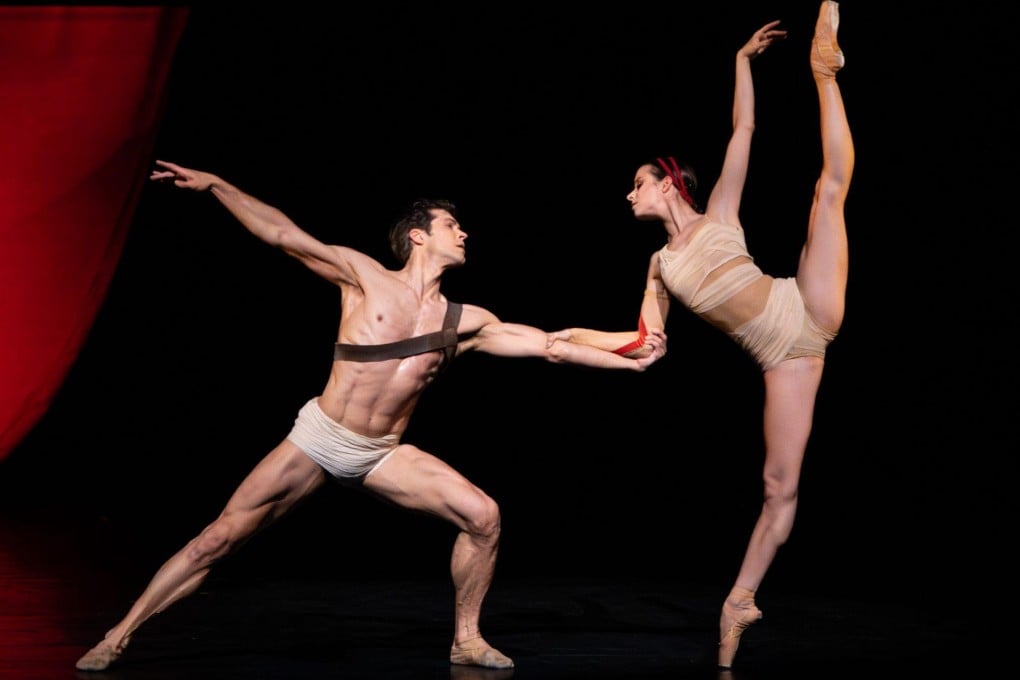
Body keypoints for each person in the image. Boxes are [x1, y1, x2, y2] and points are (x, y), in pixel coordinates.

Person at [74, 161, 667, 672]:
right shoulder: (363, 278)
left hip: (381, 453)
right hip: (319, 436)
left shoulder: (467, 321)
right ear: (417, 237)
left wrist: (631, 353)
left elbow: (553, 344)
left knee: (483, 516)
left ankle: (466, 639)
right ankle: (116, 636)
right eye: (451, 226)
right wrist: (217, 187)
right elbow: (283, 234)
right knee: (217, 540)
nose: (464, 233)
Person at [545, 1, 853, 669]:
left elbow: (745, 127)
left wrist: (741, 61)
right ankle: (739, 601)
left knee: (827, 192)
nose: (629, 196)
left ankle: (824, 72)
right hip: (785, 356)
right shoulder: (658, 267)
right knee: (779, 488)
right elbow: (645, 344)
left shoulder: (719, 214)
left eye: (637, 185)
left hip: (803, 303)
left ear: (666, 182)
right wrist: (573, 339)